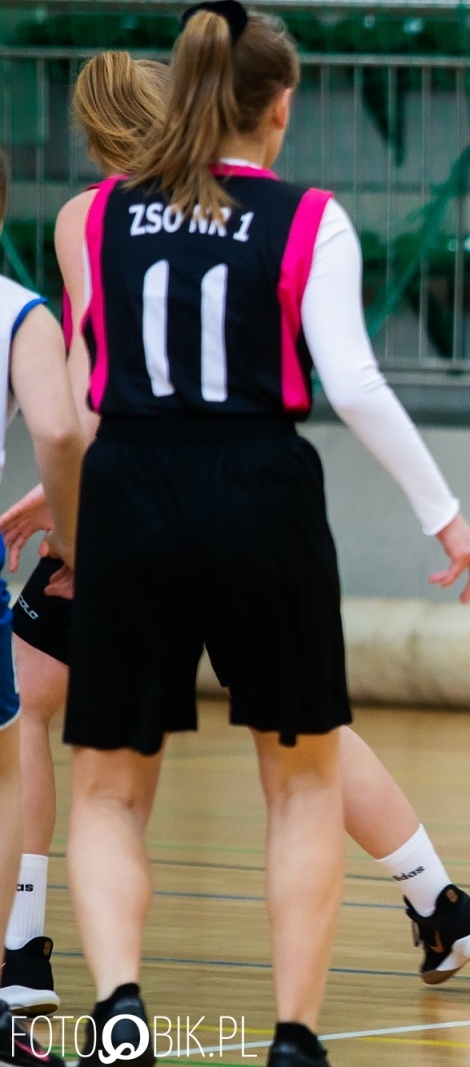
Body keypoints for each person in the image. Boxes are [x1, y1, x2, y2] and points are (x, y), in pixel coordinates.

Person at [0, 50, 470, 1019]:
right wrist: (442, 513)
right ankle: (435, 897)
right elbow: (334, 378)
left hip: (134, 499)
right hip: (257, 497)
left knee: (36, 709)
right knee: (303, 731)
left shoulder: (95, 216)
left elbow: (94, 379)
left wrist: (66, 509)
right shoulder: (264, 211)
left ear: (94, 138)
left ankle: (26, 945)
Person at [0, 150, 84, 1067]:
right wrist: (69, 514)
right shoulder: (18, 309)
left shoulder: (88, 219)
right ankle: (15, 965)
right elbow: (66, 423)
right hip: (232, 505)